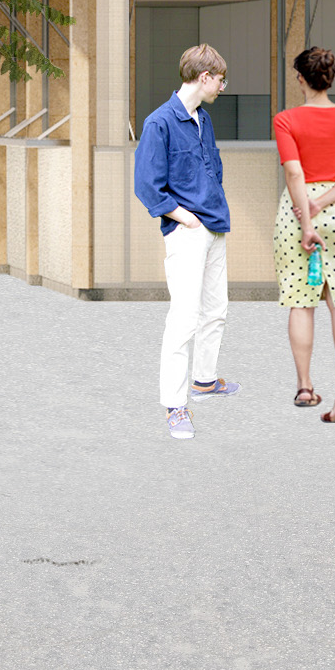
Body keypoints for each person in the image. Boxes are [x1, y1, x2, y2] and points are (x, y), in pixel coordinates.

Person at [133, 44, 234, 440]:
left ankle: (204, 382)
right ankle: (175, 406)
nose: (223, 87)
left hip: (214, 227)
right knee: (184, 319)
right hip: (189, 231)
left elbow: (213, 168)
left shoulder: (203, 119)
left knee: (216, 310)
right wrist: (182, 217)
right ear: (204, 76)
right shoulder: (159, 123)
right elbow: (147, 185)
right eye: (220, 79)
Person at [274, 46, 335, 423]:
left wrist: (308, 219)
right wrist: (325, 202)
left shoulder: (286, 120)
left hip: (298, 211)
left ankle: (305, 387)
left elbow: (294, 173)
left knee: (301, 300)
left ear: (301, 79)